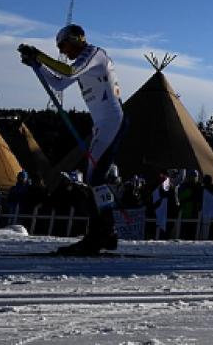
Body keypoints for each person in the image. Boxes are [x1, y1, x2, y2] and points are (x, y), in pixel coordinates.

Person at [19, 24, 124, 255]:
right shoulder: (81, 63)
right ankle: (105, 233)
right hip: (102, 124)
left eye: (63, 45)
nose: (63, 51)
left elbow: (66, 72)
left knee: (94, 179)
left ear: (76, 39)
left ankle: (103, 233)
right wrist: (36, 65)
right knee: (94, 180)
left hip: (112, 121)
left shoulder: (94, 54)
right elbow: (59, 82)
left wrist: (39, 56)